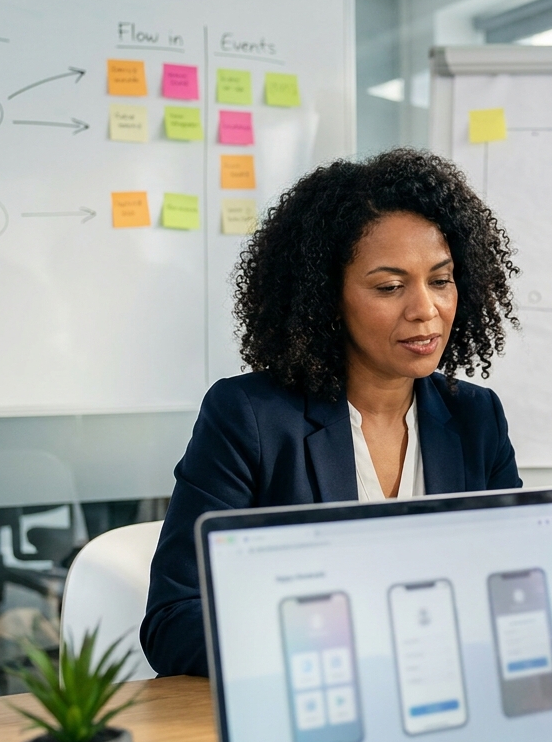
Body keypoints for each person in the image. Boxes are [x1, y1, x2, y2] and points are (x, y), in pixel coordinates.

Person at [142, 148, 523, 677]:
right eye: (390, 287)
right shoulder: (249, 419)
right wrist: (337, 640)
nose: (425, 309)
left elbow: (514, 587)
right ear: (326, 298)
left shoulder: (476, 418)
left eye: (440, 280)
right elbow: (174, 621)